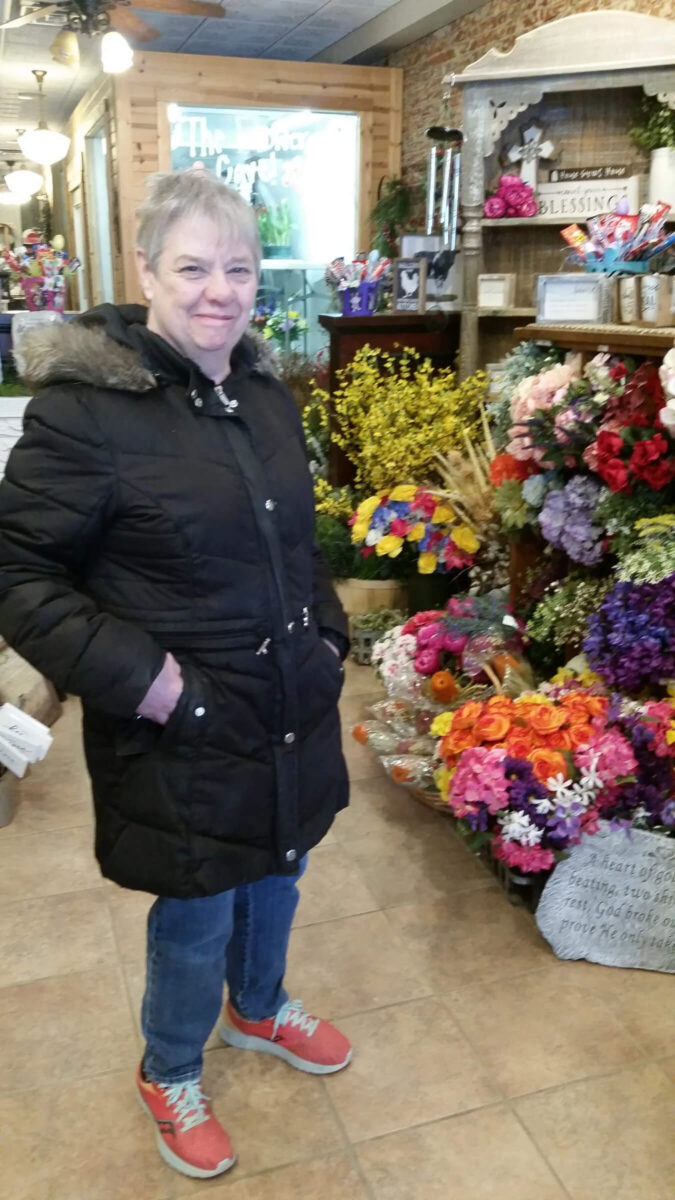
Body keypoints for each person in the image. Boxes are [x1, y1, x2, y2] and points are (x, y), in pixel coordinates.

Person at [0, 169, 351, 1181]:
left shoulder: (268, 393)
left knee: (281, 869)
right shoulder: (86, 415)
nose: (218, 291)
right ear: (144, 270)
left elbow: (302, 544)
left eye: (238, 268)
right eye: (192, 266)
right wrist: (153, 684)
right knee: (196, 907)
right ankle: (168, 1068)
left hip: (290, 706)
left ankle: (261, 1005)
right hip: (182, 726)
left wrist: (328, 643)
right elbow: (19, 573)